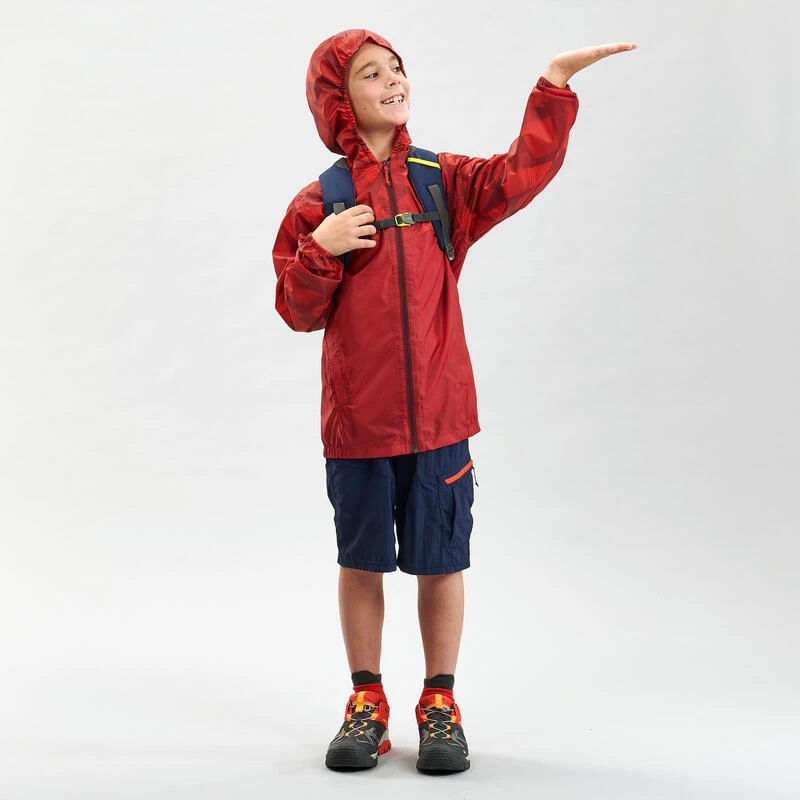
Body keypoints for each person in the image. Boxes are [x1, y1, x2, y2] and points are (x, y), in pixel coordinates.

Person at [273, 29, 637, 774]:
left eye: (397, 68)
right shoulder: (320, 202)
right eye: (370, 74)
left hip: (441, 417)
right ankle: (366, 703)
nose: (393, 80)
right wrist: (322, 248)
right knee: (361, 562)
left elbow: (520, 173)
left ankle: (439, 704)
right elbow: (295, 310)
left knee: (442, 563)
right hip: (358, 424)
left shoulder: (442, 181)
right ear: (338, 100)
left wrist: (554, 86)